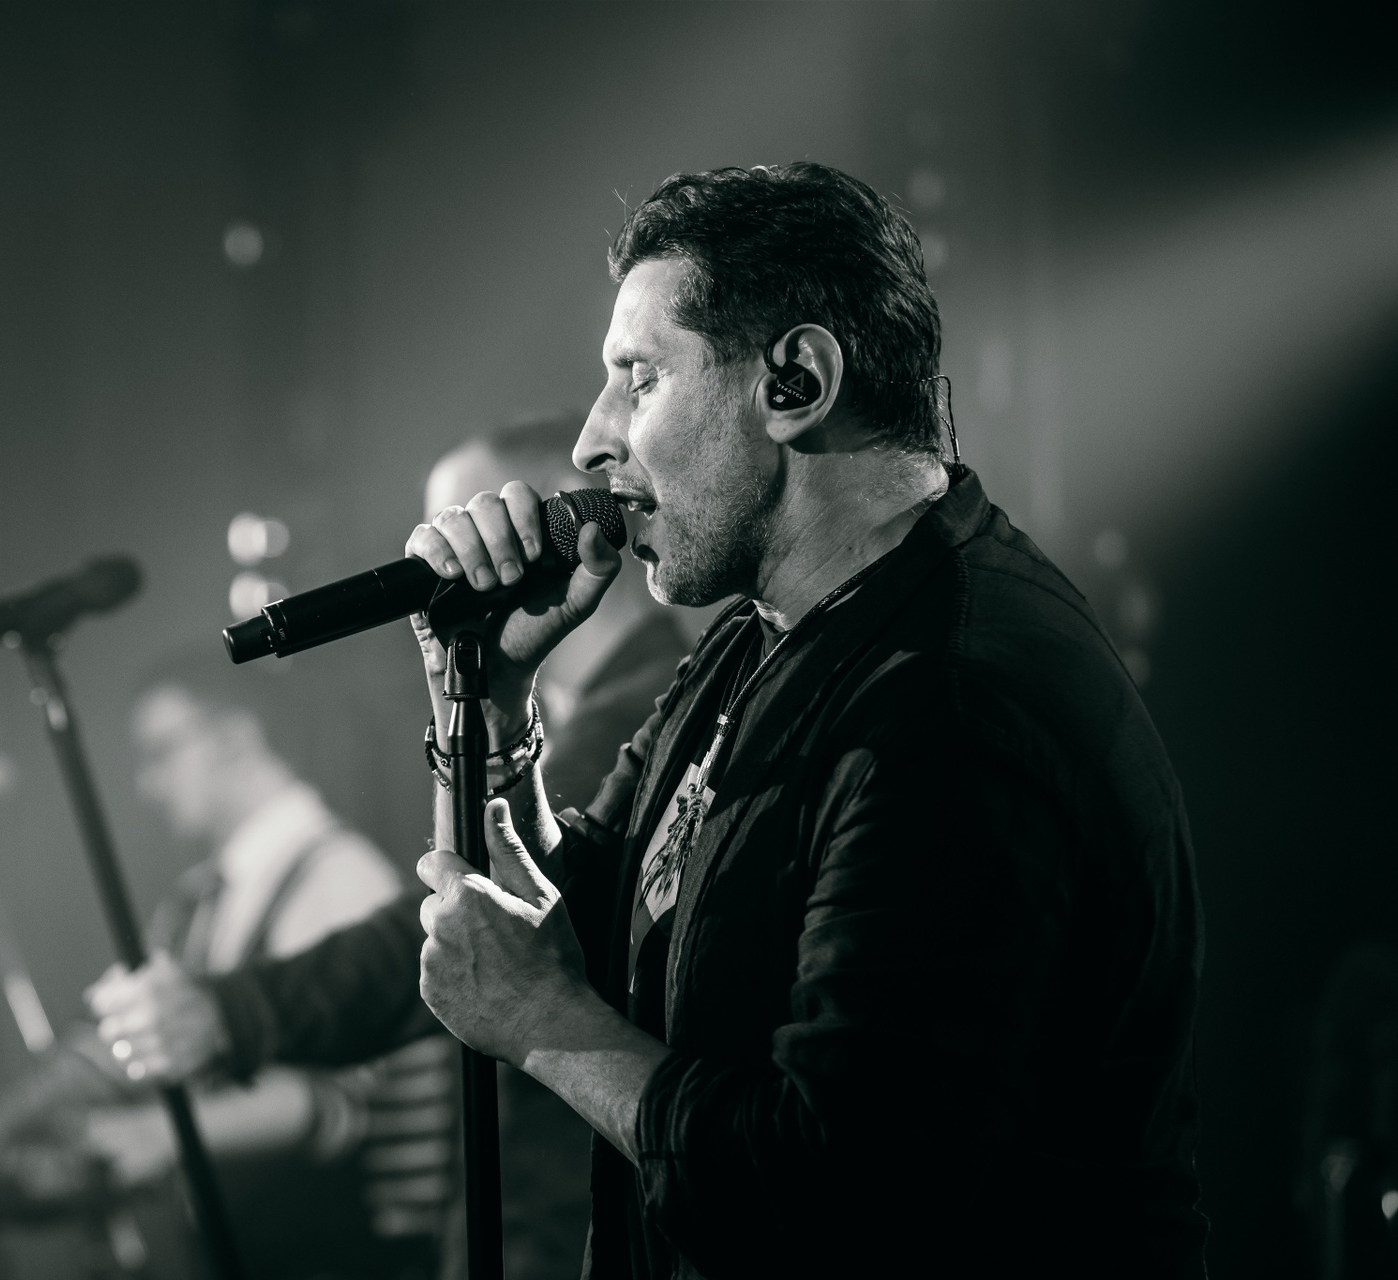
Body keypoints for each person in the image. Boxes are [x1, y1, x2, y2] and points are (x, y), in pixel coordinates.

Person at [105, 162, 1208, 1278]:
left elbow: (837, 1187)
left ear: (796, 381)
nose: (593, 441)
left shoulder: (952, 703)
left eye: (638, 379)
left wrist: (545, 1026)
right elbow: (575, 913)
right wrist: (488, 701)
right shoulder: (761, 639)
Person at [92, 416, 691, 1280]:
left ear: (557, 526)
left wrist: (236, 1013)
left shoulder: (640, 712)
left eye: (469, 522)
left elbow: (461, 929)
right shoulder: (569, 713)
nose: (439, 553)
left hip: (570, 1223)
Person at [0, 665, 452, 1280]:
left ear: (235, 737)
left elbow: (328, 1102)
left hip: (347, 1258)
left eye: (160, 753)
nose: (147, 784)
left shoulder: (337, 873)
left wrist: (155, 1133)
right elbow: (120, 1040)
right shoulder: (198, 897)